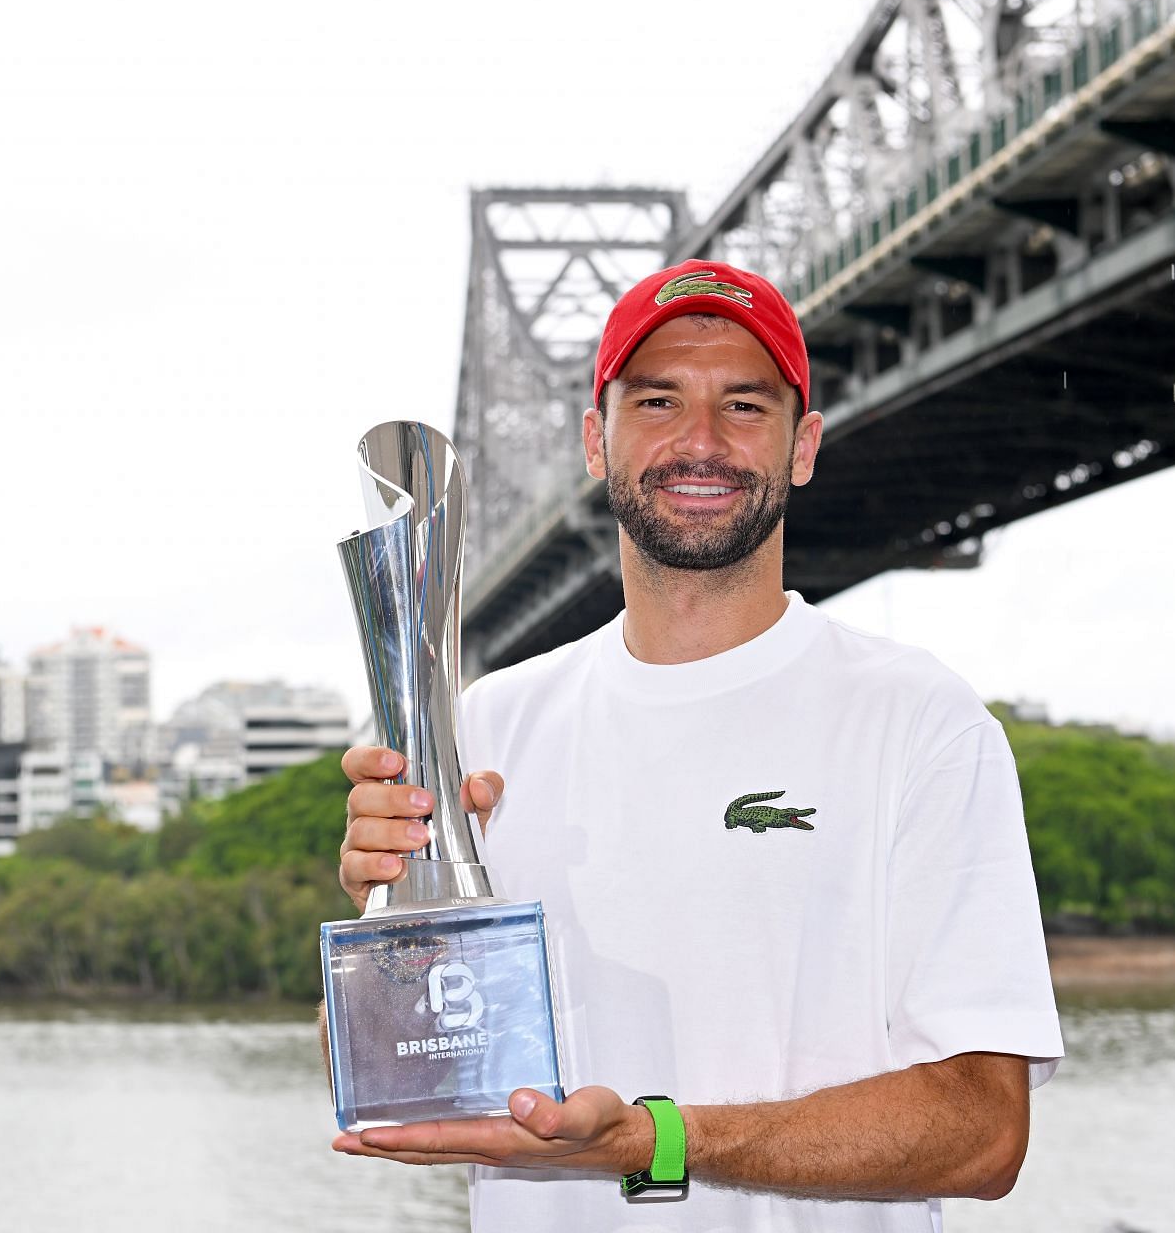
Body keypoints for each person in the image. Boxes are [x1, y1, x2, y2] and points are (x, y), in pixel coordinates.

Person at [332, 259, 1063, 1231]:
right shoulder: (489, 723)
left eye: (746, 406)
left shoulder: (921, 720)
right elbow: (420, 1086)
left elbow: (983, 1132)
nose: (701, 441)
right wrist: (390, 930)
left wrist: (657, 1138)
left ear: (804, 445)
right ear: (597, 439)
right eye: (660, 399)